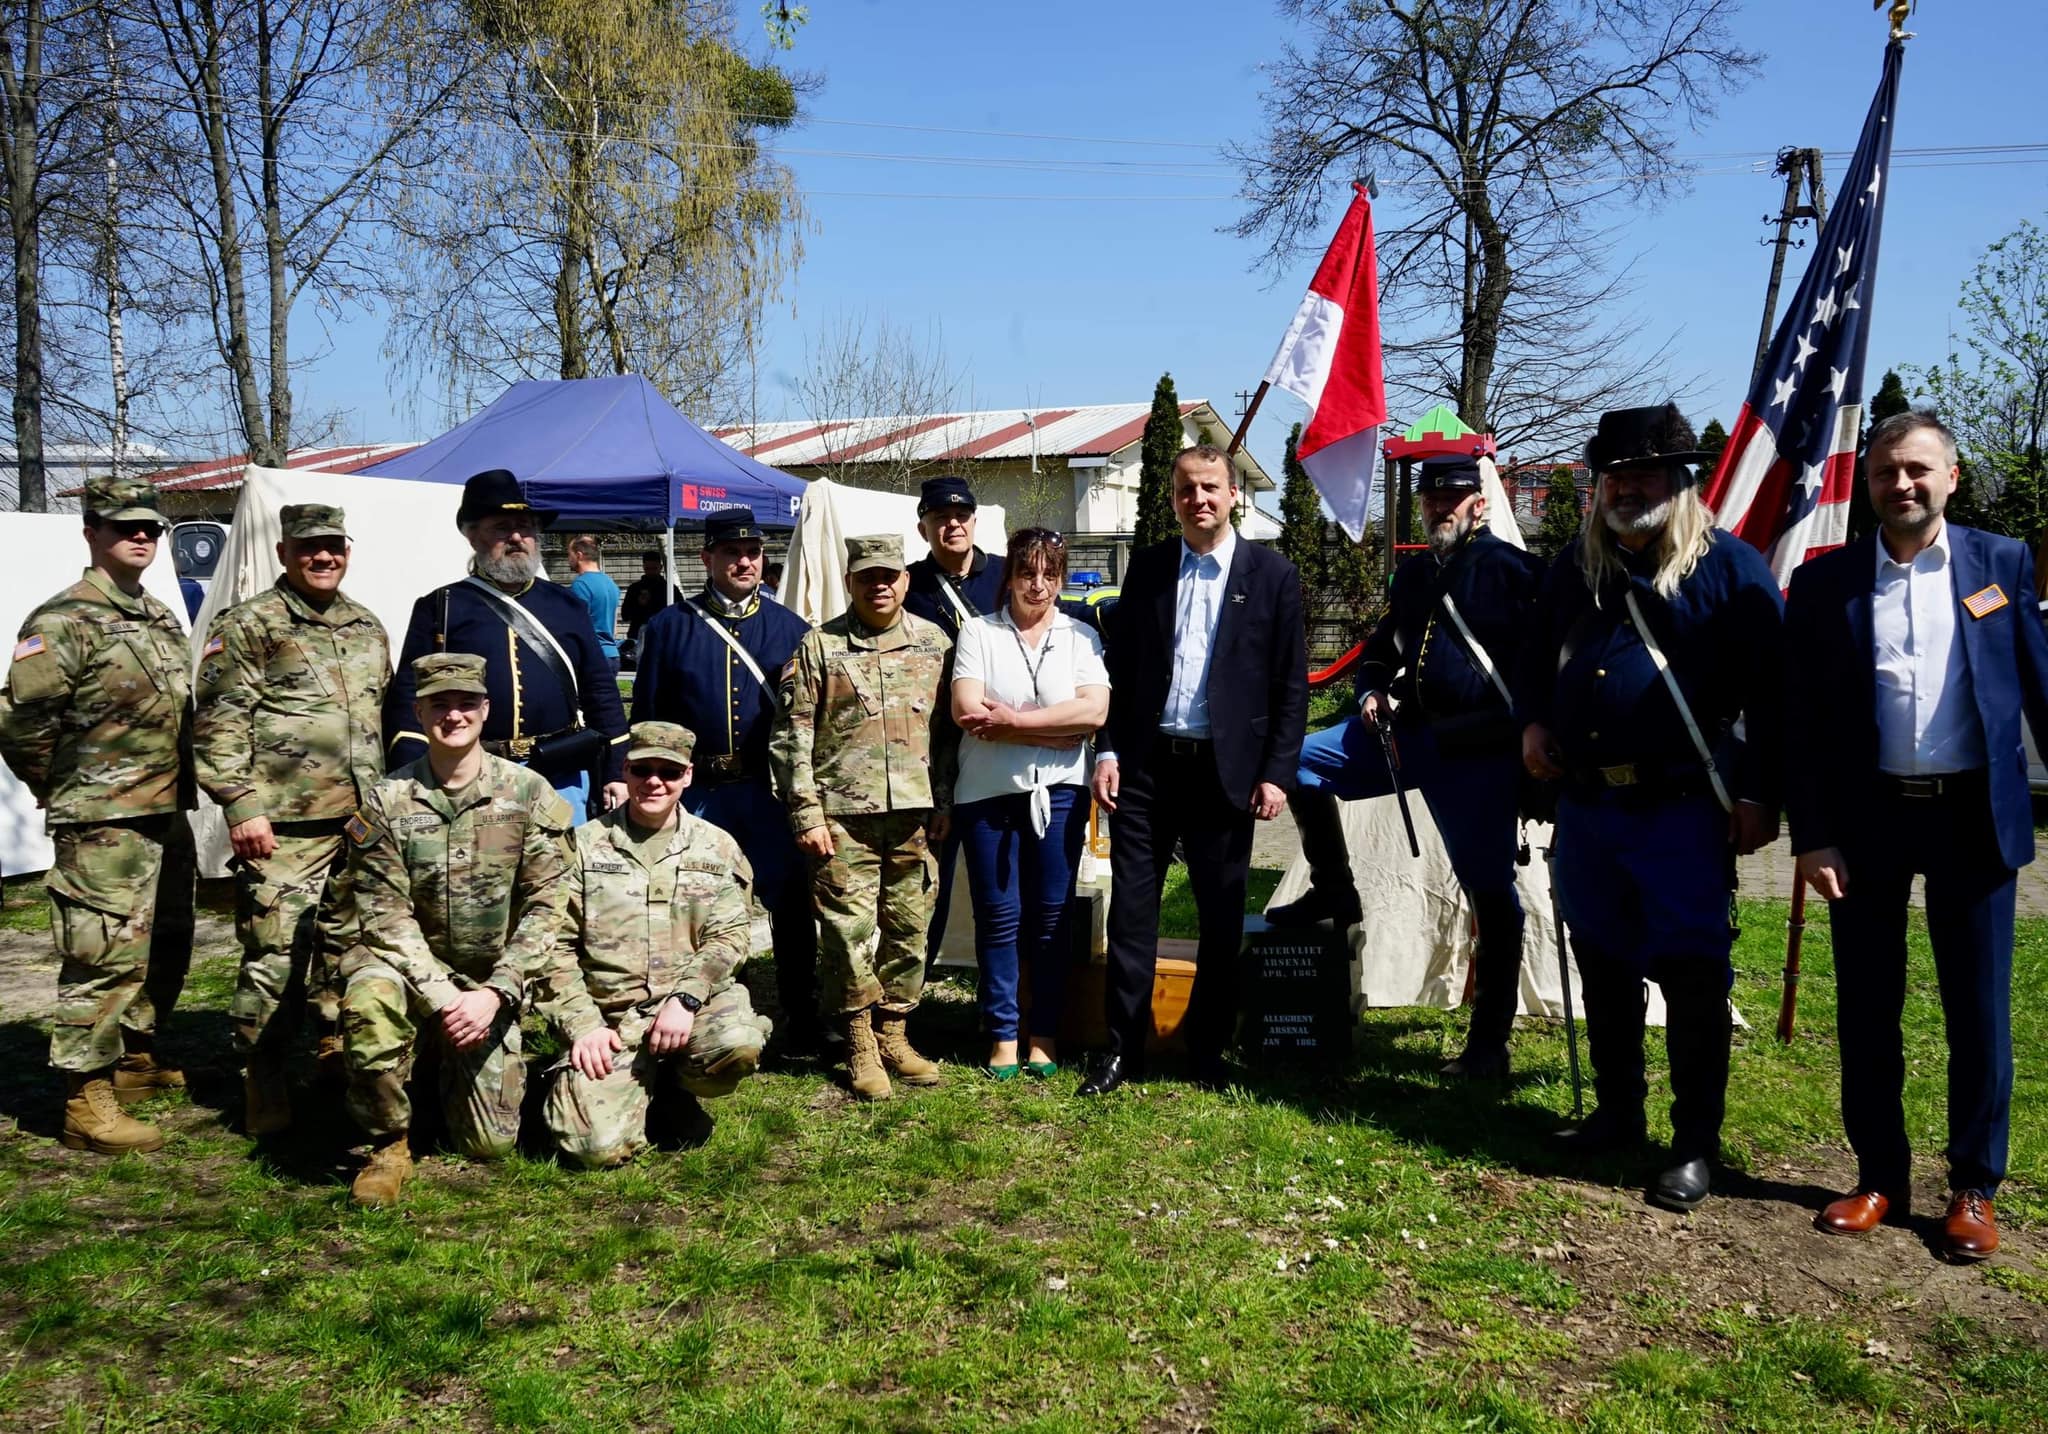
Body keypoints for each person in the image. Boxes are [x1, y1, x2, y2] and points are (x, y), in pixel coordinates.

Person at [1786, 412, 2048, 1262]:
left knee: (1979, 1011)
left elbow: (2040, 689)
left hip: (1973, 817)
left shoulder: (2000, 565)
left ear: (1952, 477)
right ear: (1866, 486)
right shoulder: (1825, 585)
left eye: (1917, 471)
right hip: (1868, 822)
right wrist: (1813, 836)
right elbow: (1805, 726)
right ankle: (1879, 1177)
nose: (1902, 485)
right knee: (1867, 1007)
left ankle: (1974, 1188)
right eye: (1885, 473)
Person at [1521, 404, 1784, 1213]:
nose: (1628, 487)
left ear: (1680, 482)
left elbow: (1775, 694)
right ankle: (1618, 1111)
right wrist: (1534, 721)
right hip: (1592, 805)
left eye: (1645, 473)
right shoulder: (1576, 566)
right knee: (1602, 961)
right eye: (1616, 475)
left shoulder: (1731, 570)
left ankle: (1694, 1143)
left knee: (1693, 974)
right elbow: (1537, 654)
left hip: (1680, 809)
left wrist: (1760, 791)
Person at [1268, 455, 1545, 1078]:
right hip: (1406, 737)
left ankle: (1488, 1044)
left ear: (1478, 504)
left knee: (1490, 896)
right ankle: (1335, 889)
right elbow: (1381, 648)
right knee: (1292, 762)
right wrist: (1369, 690)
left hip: (1476, 756)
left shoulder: (1515, 572)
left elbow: (1546, 662)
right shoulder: (1417, 574)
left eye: (1451, 500)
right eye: (1430, 502)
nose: (1439, 509)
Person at [1083, 446, 1308, 1096]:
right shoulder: (1150, 568)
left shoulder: (1272, 575)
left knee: (1219, 916)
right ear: (1174, 497)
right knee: (1130, 914)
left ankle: (1208, 1051)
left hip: (1225, 772)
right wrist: (1108, 750)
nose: (1198, 499)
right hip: (1147, 769)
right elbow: (1120, 673)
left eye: (1210, 487)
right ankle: (1123, 1051)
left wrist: (1277, 773)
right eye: (1186, 489)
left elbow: (1290, 686)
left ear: (1233, 494)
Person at [0, 475, 196, 1155]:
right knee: (101, 954)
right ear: (92, 534)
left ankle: (132, 1058)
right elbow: (22, 722)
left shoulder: (161, 616)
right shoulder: (61, 621)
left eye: (151, 529)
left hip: (166, 812)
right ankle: (86, 1099)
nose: (140, 537)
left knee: (167, 941)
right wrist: (66, 792)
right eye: (124, 527)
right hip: (103, 821)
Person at [342, 653, 574, 1205]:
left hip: (490, 981)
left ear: (486, 709)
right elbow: (383, 913)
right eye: (439, 705)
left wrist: (497, 991)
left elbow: (548, 905)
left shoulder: (529, 794)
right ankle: (389, 1144)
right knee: (368, 1001)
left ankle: (437, 1066)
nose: (453, 716)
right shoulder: (386, 799)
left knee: (486, 1145)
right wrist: (442, 996)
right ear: (419, 714)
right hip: (405, 969)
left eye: (465, 703)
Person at [193, 503, 391, 1134]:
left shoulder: (366, 624)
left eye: (334, 545)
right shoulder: (250, 624)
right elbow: (219, 719)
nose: (323, 556)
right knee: (276, 953)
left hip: (359, 822)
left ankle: (332, 1050)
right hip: (281, 826)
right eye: (309, 547)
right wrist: (240, 805)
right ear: (284, 553)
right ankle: (265, 1075)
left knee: (350, 946)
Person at [536, 721, 774, 1166]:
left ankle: (677, 1084)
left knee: (738, 1041)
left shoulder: (716, 847)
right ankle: (641, 1086)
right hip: (612, 1019)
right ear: (625, 771)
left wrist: (686, 998)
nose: (654, 782)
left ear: (687, 776)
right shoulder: (583, 848)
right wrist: (583, 1026)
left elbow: (729, 936)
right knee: (593, 1148)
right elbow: (553, 948)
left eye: (668, 772)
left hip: (689, 1010)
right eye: (643, 770)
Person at [770, 534, 954, 1100]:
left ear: (904, 579)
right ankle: (858, 1042)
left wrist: (944, 800)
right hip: (843, 816)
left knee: (909, 930)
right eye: (867, 576)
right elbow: (791, 735)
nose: (880, 585)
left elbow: (949, 734)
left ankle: (894, 1032)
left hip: (916, 816)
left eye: (890, 576)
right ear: (851, 581)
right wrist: (806, 813)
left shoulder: (934, 642)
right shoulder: (820, 646)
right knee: (846, 934)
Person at [632, 508, 821, 1050]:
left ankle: (799, 1009)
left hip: (766, 791)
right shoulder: (669, 628)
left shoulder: (791, 629)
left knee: (787, 901)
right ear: (706, 558)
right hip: (701, 793)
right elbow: (646, 716)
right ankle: (686, 1010)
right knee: (688, 901)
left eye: (753, 553)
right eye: (732, 553)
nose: (744, 562)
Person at [951, 527, 1110, 1078]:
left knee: (1051, 916)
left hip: (1060, 795)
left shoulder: (1081, 636)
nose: (1037, 585)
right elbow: (968, 711)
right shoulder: (978, 632)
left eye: (1049, 574)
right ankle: (1001, 1032)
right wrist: (1048, 730)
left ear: (1062, 580)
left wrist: (1013, 723)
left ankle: (1043, 1031)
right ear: (1010, 576)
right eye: (1026, 572)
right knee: (998, 916)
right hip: (986, 793)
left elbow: (1093, 713)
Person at [383, 469, 628, 825]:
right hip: (471, 774)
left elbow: (600, 690)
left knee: (560, 875)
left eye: (525, 527)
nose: (517, 537)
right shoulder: (442, 606)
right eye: (501, 527)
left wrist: (616, 771)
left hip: (560, 774)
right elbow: (411, 697)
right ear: (472, 537)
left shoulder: (567, 605)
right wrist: (411, 772)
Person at [905, 475, 1005, 972]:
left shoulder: (1009, 576)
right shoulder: (905, 584)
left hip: (1000, 747)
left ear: (974, 519)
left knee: (1000, 889)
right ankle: (908, 1005)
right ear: (923, 527)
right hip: (930, 753)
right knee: (929, 886)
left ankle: (1000, 1004)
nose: (952, 525)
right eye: (940, 518)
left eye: (961, 515)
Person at [566, 535, 623, 672]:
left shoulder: (581, 585)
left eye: (569, 555)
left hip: (592, 656)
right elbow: (614, 627)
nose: (568, 560)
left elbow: (576, 625)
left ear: (579, 555)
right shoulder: (611, 583)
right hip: (612, 654)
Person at [622, 550, 676, 645]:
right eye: (648, 569)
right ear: (643, 568)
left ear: (660, 567)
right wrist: (639, 604)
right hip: (638, 636)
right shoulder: (634, 589)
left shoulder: (670, 589)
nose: (651, 572)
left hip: (664, 636)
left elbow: (679, 613)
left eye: (654, 568)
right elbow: (625, 615)